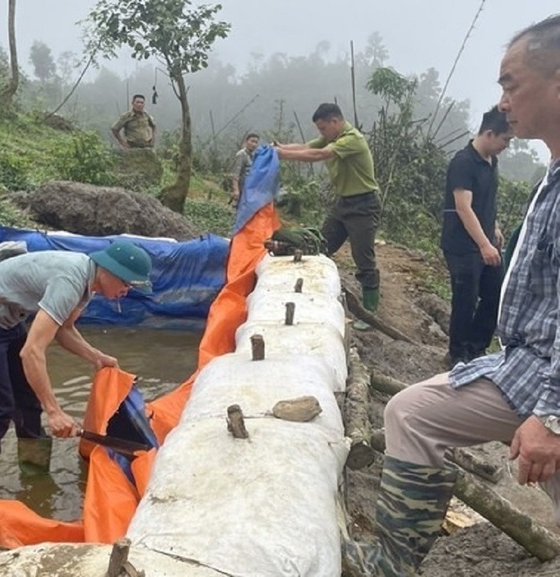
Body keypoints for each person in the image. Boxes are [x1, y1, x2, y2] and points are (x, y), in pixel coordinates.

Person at [344, 14, 560, 576]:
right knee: (413, 411)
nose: (503, 100)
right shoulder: (548, 176)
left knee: (413, 413)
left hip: (544, 377)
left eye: (511, 83)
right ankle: (389, 561)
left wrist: (551, 418)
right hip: (526, 364)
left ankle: (388, 564)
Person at [0, 240, 153, 506]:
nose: (126, 291)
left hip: (9, 319)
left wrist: (97, 357)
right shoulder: (71, 280)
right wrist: (55, 411)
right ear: (109, 270)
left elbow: (64, 330)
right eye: (126, 283)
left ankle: (35, 483)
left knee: (28, 404)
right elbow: (32, 352)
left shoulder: (87, 283)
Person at [273, 103, 381, 318]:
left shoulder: (352, 139)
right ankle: (314, 293)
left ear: (335, 121)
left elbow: (318, 155)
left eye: (323, 128)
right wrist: (279, 148)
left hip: (364, 205)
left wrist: (282, 154)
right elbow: (306, 147)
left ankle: (370, 310)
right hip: (344, 203)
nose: (321, 133)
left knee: (363, 257)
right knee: (321, 245)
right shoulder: (332, 137)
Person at [441, 106, 513, 368]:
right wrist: (483, 244)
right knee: (465, 298)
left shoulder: (491, 161)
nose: (506, 146)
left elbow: (486, 201)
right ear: (490, 133)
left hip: (485, 240)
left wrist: (492, 228)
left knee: (496, 293)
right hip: (462, 245)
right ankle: (458, 354)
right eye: (506, 140)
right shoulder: (463, 162)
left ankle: (476, 348)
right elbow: (463, 207)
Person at [229, 132, 260, 206]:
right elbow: (235, 173)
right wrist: (236, 190)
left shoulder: (253, 156)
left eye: (256, 142)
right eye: (252, 141)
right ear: (246, 141)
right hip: (241, 189)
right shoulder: (241, 154)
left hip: (248, 189)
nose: (254, 144)